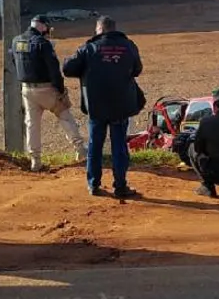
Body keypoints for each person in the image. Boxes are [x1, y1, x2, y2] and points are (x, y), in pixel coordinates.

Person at [62, 15, 144, 198]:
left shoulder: (89, 48)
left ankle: (94, 185)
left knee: (95, 145)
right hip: (121, 105)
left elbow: (68, 68)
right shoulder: (128, 46)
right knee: (119, 146)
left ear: (99, 29)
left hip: (96, 106)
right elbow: (137, 69)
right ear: (114, 29)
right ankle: (120, 186)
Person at [10, 15, 86, 172]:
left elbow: (14, 61)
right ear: (43, 27)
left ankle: (35, 160)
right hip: (46, 89)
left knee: (32, 124)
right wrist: (60, 89)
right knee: (65, 116)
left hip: (27, 89)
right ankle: (80, 150)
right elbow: (54, 69)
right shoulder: (43, 43)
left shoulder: (16, 40)